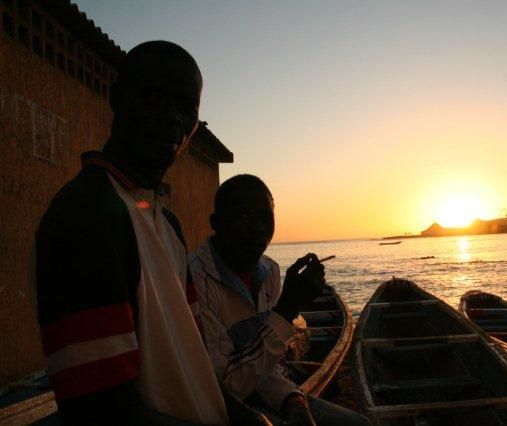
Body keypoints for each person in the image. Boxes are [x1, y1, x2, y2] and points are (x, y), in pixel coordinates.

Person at [36, 41, 249, 425]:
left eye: (186, 109)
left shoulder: (168, 225)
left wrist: (242, 414)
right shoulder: (86, 215)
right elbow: (97, 411)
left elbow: (194, 363)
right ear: (117, 99)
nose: (172, 118)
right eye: (153, 97)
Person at [189, 174, 370, 426]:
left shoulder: (269, 271)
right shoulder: (195, 280)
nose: (258, 228)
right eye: (244, 216)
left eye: (266, 218)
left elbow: (268, 366)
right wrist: (287, 309)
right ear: (216, 223)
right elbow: (226, 387)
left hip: (266, 394)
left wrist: (293, 399)